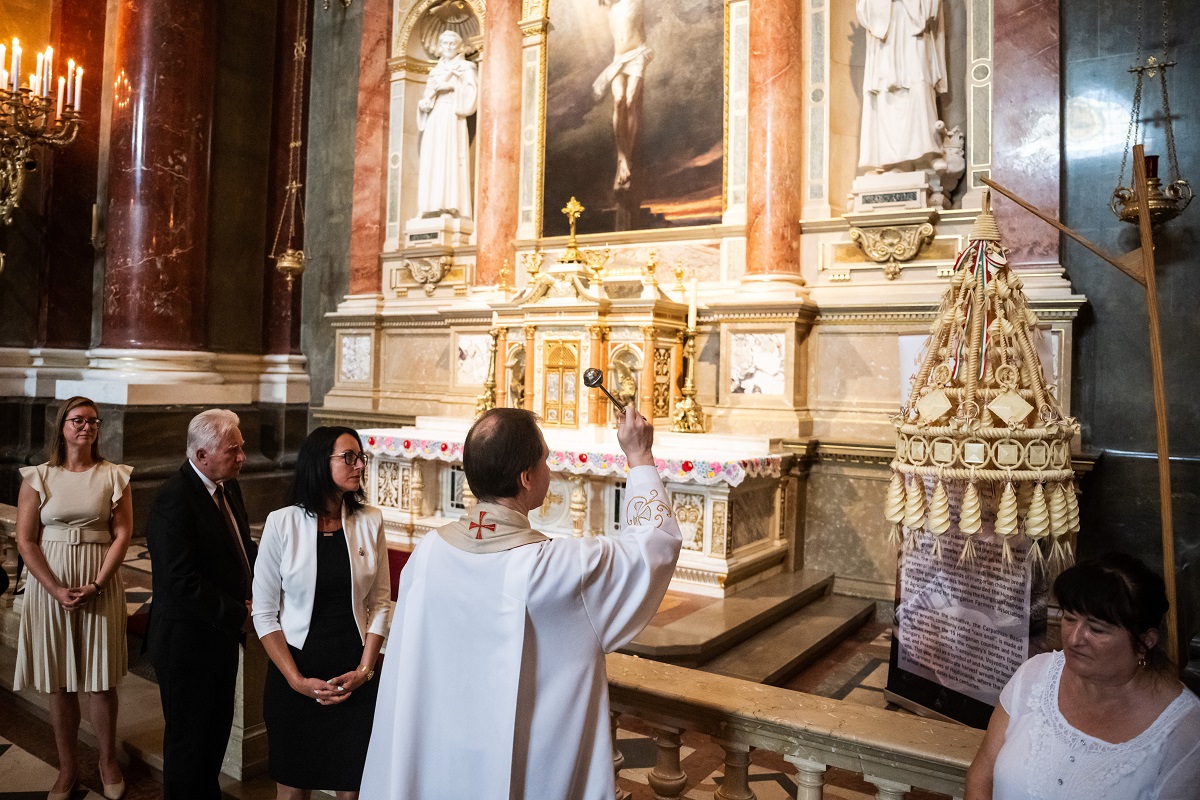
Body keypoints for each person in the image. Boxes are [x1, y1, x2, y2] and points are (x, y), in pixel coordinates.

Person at [360, 406, 681, 800]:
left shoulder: (427, 554)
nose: (549, 468)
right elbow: (655, 547)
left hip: (438, 766)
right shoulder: (559, 568)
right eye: (545, 459)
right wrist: (639, 456)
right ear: (527, 477)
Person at [965, 552, 1200, 800]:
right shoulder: (1035, 674)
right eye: (1069, 618)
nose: (1074, 639)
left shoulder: (1184, 732)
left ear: (1145, 641)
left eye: (1097, 629)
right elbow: (983, 774)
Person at [252, 427, 391, 799]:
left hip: (354, 673)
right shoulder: (282, 523)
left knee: (352, 788)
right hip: (295, 672)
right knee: (294, 789)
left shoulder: (370, 520)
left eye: (360, 457)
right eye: (349, 457)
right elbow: (264, 614)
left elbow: (380, 602)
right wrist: (296, 680)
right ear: (319, 462)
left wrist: (365, 670)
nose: (360, 464)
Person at [13, 396, 133, 800]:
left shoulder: (114, 475)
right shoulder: (38, 476)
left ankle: (107, 761)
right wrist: (53, 588)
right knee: (58, 680)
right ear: (62, 426)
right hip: (51, 582)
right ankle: (67, 769)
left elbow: (122, 534)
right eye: (77, 420)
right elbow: (26, 540)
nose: (86, 427)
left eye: (93, 421)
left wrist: (97, 584)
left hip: (98, 579)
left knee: (100, 680)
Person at [145, 409, 257, 800]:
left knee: (214, 740)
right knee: (188, 748)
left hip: (219, 639)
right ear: (201, 455)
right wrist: (239, 615)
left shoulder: (228, 487)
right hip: (187, 644)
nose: (242, 457)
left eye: (241, 448)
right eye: (233, 450)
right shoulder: (173, 500)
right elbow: (180, 581)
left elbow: (242, 549)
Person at [856, 0, 947, 171]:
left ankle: (928, 154)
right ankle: (891, 159)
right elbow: (864, 9)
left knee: (919, 85)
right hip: (886, 36)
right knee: (886, 92)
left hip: (913, 31)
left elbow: (931, 9)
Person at [416, 29, 478, 219]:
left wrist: (452, 87)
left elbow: (473, 94)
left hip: (452, 116)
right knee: (432, 159)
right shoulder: (435, 72)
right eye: (445, 44)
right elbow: (426, 97)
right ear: (440, 47)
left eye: (452, 44)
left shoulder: (466, 68)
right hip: (435, 118)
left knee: (449, 158)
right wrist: (424, 104)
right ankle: (428, 206)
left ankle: (450, 206)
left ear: (459, 46)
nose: (449, 47)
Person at [593, 0, 651, 192]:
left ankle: (629, 157)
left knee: (630, 100)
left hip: (637, 54)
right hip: (619, 59)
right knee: (618, 100)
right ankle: (622, 158)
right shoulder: (611, 7)